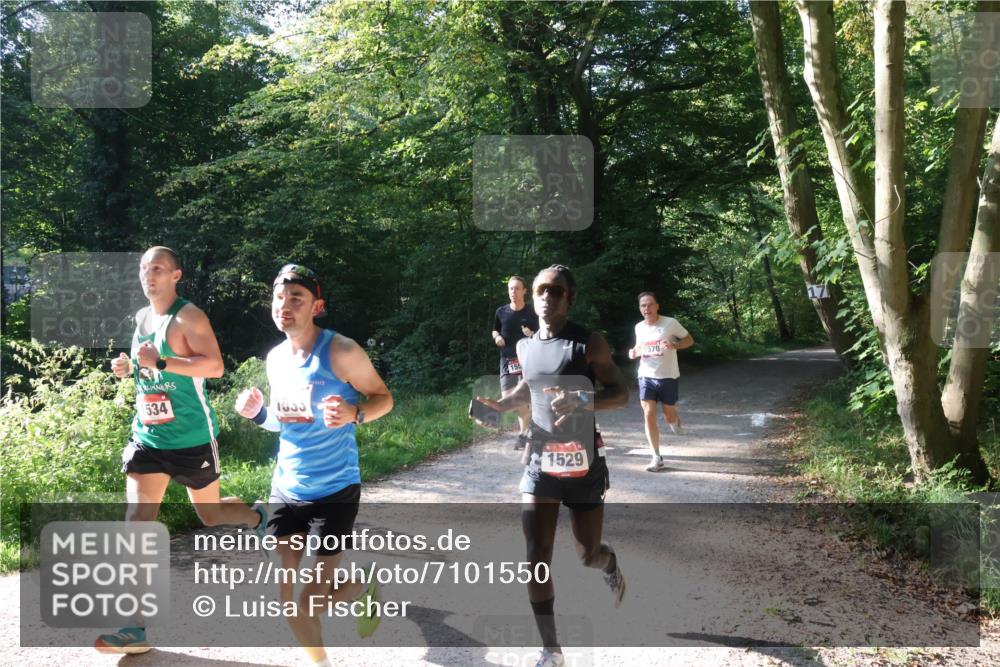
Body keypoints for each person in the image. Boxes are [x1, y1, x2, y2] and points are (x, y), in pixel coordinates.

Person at [96, 246, 266, 654]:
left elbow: (214, 366)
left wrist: (164, 362)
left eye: (157, 269)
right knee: (138, 521)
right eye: (143, 268)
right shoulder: (141, 318)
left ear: (176, 276)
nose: (148, 275)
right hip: (149, 439)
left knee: (210, 515)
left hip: (191, 439)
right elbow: (146, 365)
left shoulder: (189, 317)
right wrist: (129, 368)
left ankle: (258, 515)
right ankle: (134, 626)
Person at [235, 263, 393, 667]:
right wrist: (257, 414)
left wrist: (354, 412)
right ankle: (346, 607)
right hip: (288, 487)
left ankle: (356, 586)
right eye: (278, 297)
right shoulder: (275, 359)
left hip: (336, 491)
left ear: (316, 305)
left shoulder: (341, 351)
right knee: (288, 601)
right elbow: (280, 421)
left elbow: (383, 398)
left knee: (309, 602)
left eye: (296, 298)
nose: (284, 305)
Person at [473, 265, 629, 667]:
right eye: (541, 289)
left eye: (555, 291)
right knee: (535, 554)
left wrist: (585, 400)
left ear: (569, 298)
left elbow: (621, 393)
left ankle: (608, 563)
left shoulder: (588, 343)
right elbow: (529, 389)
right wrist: (500, 405)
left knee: (587, 554)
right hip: (541, 460)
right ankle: (551, 649)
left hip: (583, 465)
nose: (546, 296)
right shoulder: (526, 347)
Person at [628, 291, 694, 472]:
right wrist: (632, 353)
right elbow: (637, 348)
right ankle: (656, 456)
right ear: (640, 308)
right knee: (648, 412)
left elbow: (689, 340)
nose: (646, 308)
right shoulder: (639, 327)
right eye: (643, 305)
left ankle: (674, 420)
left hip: (668, 376)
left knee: (668, 415)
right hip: (646, 375)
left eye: (650, 304)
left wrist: (675, 345)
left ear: (657, 306)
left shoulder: (670, 323)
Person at [492, 275, 538, 449]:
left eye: (517, 288)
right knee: (509, 399)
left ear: (524, 291)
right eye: (511, 288)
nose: (514, 292)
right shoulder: (501, 312)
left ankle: (523, 435)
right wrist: (497, 337)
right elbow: (494, 330)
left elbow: (543, 336)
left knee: (521, 400)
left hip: (528, 362)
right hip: (507, 361)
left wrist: (531, 334)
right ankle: (530, 421)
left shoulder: (532, 312)